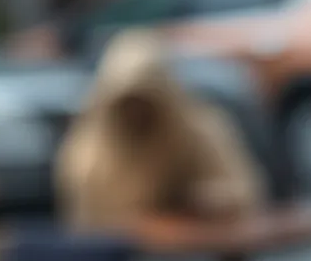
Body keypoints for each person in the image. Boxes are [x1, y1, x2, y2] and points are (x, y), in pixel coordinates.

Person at [56, 31, 264, 230]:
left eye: (145, 102)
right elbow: (88, 216)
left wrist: (206, 198)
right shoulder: (92, 146)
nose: (137, 113)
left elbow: (240, 189)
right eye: (129, 103)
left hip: (190, 242)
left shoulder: (195, 129)